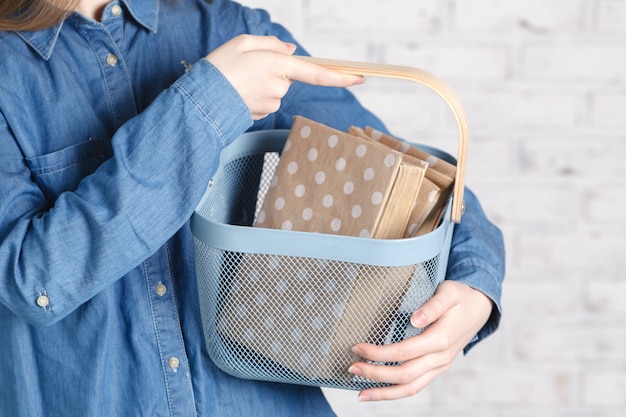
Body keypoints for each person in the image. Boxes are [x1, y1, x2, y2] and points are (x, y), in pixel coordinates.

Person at [0, 0, 505, 416]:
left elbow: (406, 170)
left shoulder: (229, 28)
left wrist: (474, 284)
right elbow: (34, 280)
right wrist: (208, 102)